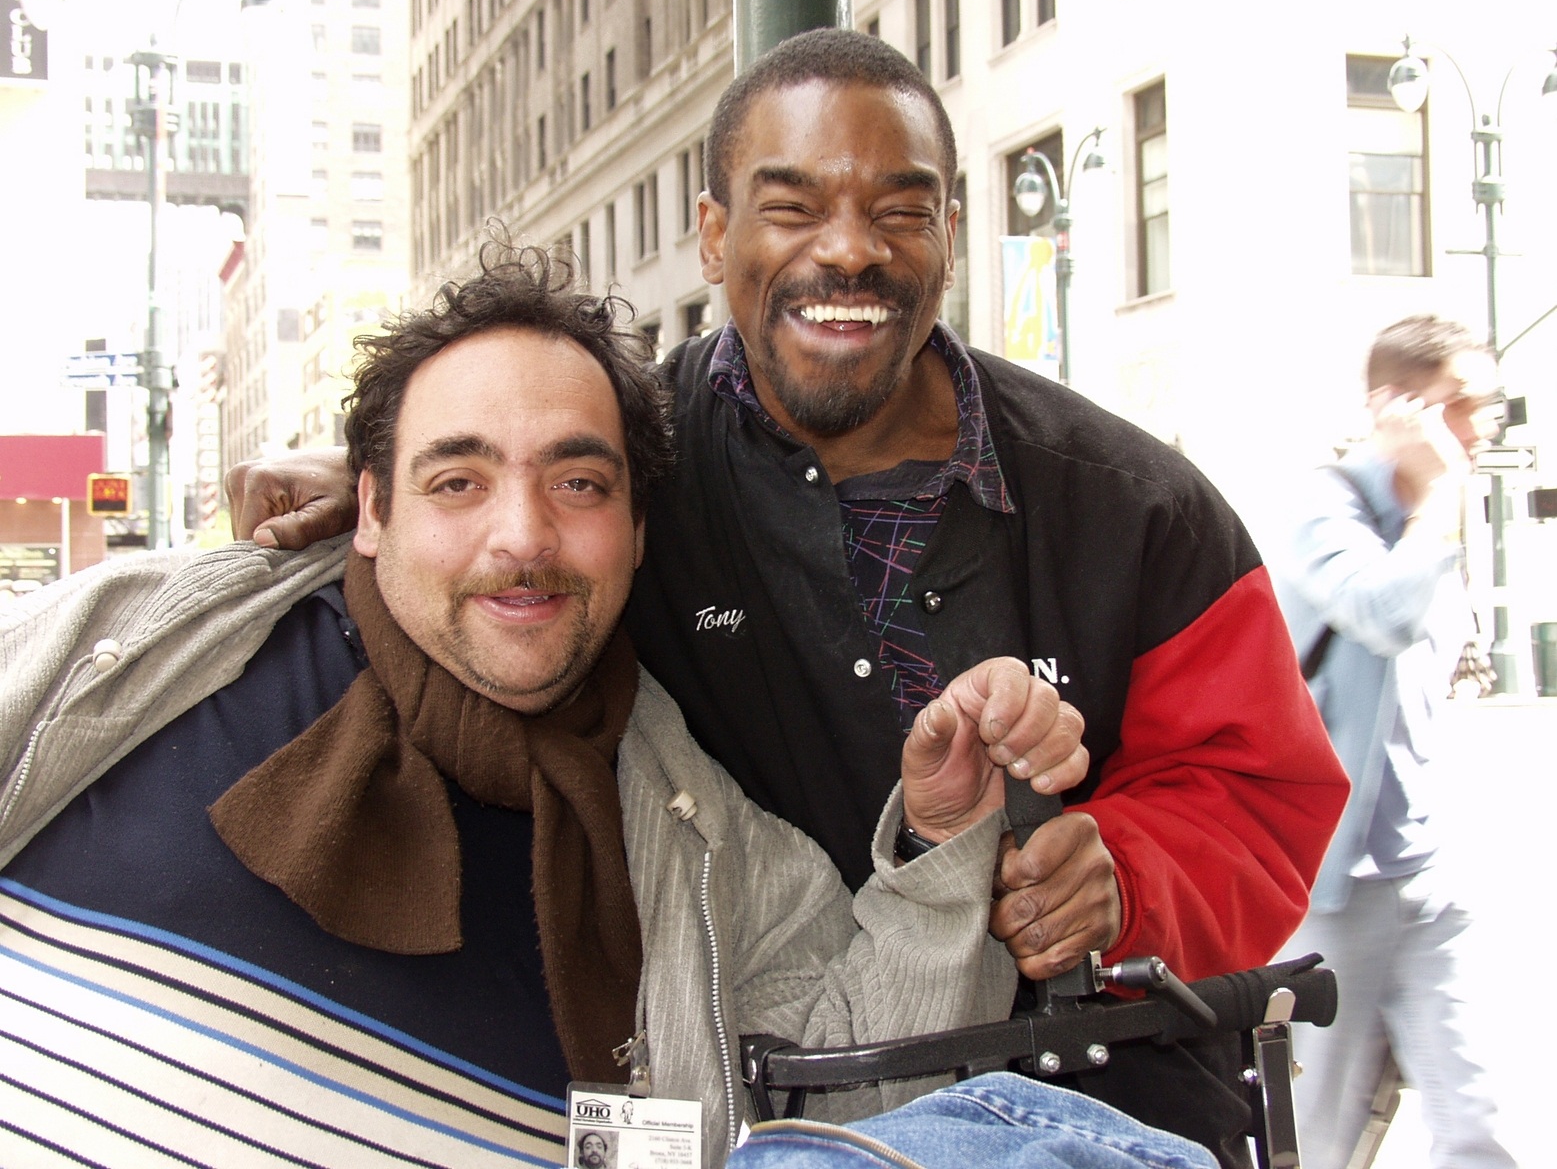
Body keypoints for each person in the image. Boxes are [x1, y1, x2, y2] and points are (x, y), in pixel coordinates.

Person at [226, 29, 1348, 1163]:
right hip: (771, 1111)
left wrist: (1127, 871)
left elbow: (1269, 796)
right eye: (793, 207)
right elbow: (493, 540)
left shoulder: (1139, 506)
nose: (849, 252)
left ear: (949, 238)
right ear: (714, 235)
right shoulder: (619, 480)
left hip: (1108, 1111)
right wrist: (378, 485)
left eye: (902, 210)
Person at [0, 243, 1090, 1169]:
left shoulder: (697, 841)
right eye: (458, 481)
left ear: (637, 533)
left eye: (579, 484)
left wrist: (946, 835)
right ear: (369, 507)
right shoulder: (127, 648)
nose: (521, 538)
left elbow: (864, 1090)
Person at [1271, 315, 1516, 1169]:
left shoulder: (1432, 515)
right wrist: (1443, 497)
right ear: (1394, 406)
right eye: (1463, 403)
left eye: (1491, 404)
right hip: (1332, 892)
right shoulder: (1321, 507)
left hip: (1428, 878)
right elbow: (1381, 612)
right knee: (1314, 1139)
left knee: (1480, 1123)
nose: (1483, 425)